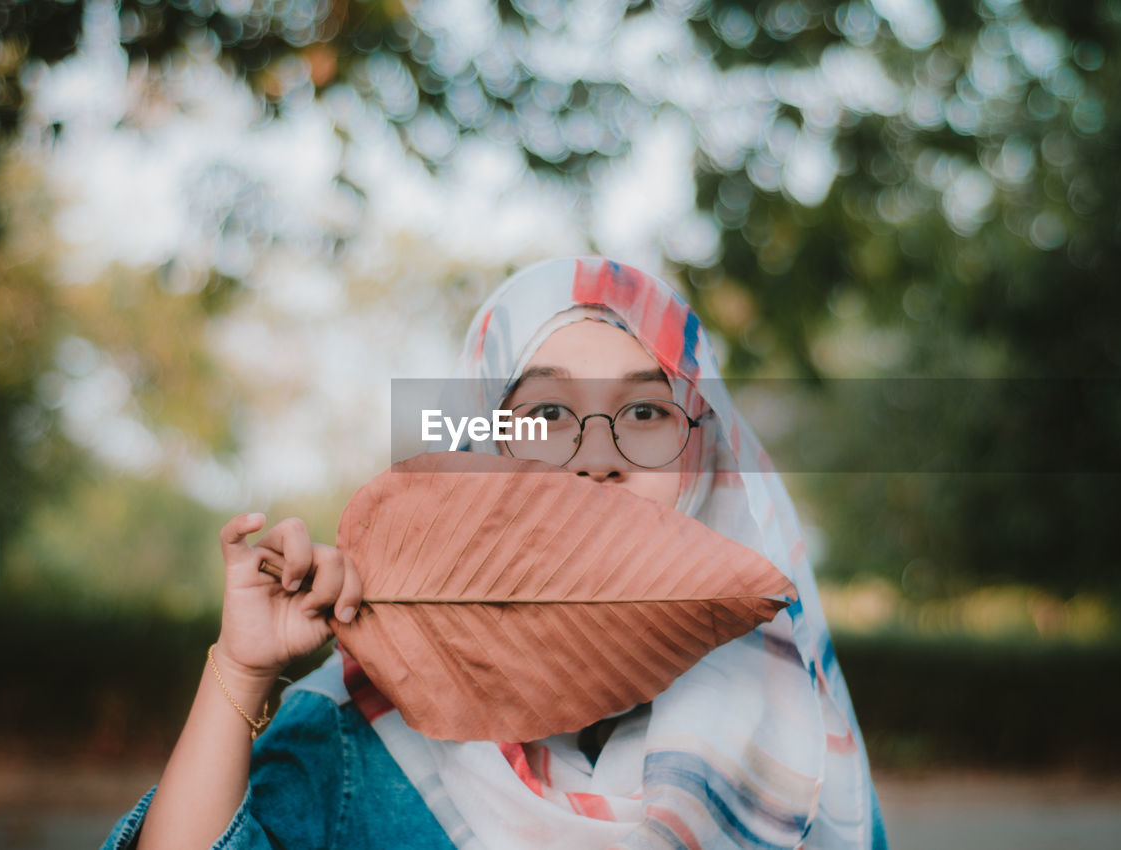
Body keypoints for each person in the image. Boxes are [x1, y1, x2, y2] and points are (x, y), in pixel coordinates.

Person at [103, 256, 889, 850]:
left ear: (704, 459)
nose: (595, 456)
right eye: (546, 414)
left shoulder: (791, 734)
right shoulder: (367, 732)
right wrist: (240, 669)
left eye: (646, 410)